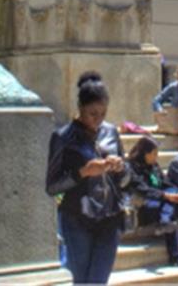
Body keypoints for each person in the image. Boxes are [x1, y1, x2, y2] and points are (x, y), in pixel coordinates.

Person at [46, 74, 129, 283]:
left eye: (103, 114)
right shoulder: (63, 137)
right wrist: (82, 172)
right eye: (92, 114)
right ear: (80, 108)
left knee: (99, 280)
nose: (98, 120)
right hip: (77, 217)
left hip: (110, 216)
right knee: (82, 280)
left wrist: (119, 167)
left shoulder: (110, 132)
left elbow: (128, 176)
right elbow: (52, 186)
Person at [125, 136, 178, 268]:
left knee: (174, 199)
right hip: (144, 207)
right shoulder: (131, 167)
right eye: (154, 153)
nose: (157, 156)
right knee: (170, 209)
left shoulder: (154, 166)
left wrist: (177, 193)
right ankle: (176, 255)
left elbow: (166, 183)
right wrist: (165, 195)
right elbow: (142, 189)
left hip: (162, 203)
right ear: (145, 153)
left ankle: (165, 221)